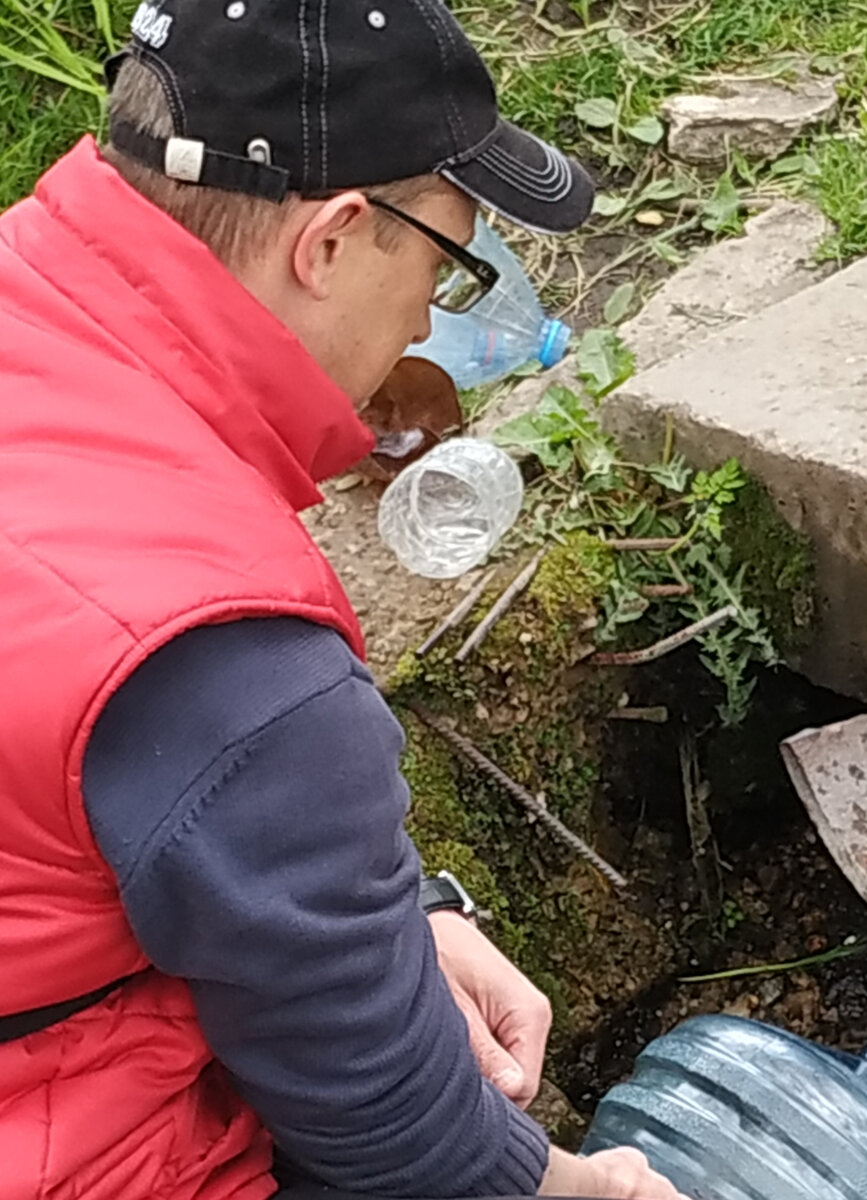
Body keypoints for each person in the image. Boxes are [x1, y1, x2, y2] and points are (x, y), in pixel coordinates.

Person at [0, 2, 686, 1199]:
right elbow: (388, 1121)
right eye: (446, 266)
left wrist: (399, 915)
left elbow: (182, 818)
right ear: (331, 241)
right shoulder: (224, 646)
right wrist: (578, 1186)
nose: (427, 318)